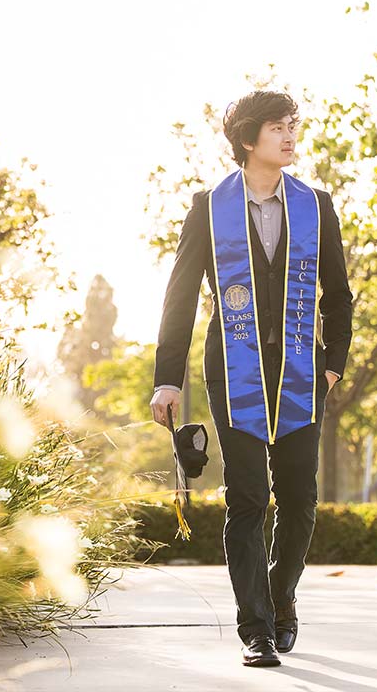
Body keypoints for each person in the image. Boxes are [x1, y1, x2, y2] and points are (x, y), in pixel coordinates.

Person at [150, 90, 353, 667]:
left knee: (300, 498)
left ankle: (281, 595)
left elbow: (338, 295)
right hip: (234, 372)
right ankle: (256, 627)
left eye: (293, 126)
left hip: (301, 372)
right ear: (247, 139)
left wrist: (332, 364)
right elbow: (180, 297)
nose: (290, 136)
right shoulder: (209, 208)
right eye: (277, 128)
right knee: (246, 498)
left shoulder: (315, 205)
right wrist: (168, 378)